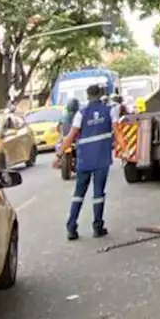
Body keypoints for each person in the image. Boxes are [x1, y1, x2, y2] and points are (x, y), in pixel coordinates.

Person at [57, 85, 113, 240]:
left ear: (87, 96)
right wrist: (124, 149)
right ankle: (97, 226)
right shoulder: (109, 110)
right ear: (101, 94)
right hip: (102, 158)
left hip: (84, 159)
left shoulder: (80, 113)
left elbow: (70, 136)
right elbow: (118, 130)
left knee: (78, 193)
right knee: (98, 193)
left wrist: (59, 154)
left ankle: (71, 227)